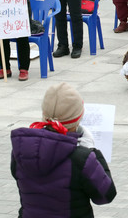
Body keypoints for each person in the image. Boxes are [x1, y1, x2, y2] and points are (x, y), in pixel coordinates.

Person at [11, 82, 117, 216]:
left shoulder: (22, 150)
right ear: (78, 118)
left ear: (44, 114)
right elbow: (105, 195)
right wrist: (94, 153)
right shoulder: (81, 158)